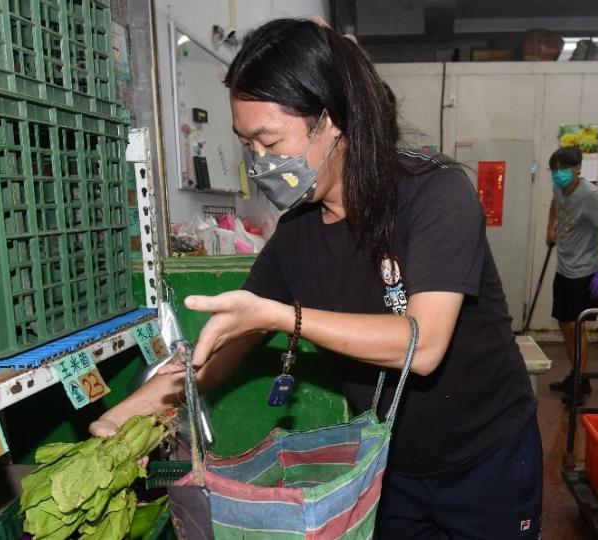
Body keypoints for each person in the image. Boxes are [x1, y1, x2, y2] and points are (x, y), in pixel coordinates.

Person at [92, 19, 541, 538]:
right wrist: (122, 419)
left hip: (487, 461)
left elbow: (424, 346)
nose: (260, 163)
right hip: (387, 464)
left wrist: (283, 316)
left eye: (269, 140)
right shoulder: (295, 239)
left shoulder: (435, 194)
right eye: (247, 145)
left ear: (333, 120)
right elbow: (210, 358)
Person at [546, 146, 598, 405]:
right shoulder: (558, 188)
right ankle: (576, 375)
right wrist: (550, 229)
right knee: (564, 325)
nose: (558, 174)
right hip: (563, 269)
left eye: (564, 169)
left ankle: (580, 381)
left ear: (577, 169)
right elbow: (555, 204)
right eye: (554, 170)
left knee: (577, 327)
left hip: (584, 272)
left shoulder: (591, 196)